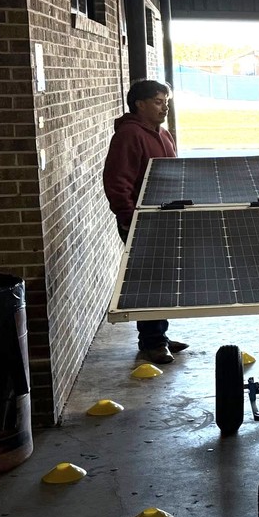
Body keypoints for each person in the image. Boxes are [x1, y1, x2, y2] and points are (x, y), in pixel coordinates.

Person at [102, 80, 187, 365]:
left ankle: (158, 336)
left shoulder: (162, 134)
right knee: (149, 281)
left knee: (161, 279)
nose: (164, 107)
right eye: (158, 101)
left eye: (166, 102)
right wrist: (128, 219)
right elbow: (117, 182)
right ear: (139, 103)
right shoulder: (128, 136)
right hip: (140, 221)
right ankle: (151, 342)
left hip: (163, 219)